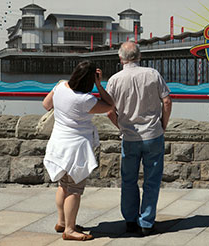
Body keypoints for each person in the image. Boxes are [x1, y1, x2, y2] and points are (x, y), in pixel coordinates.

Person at [42, 61, 115, 241]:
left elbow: (46, 104)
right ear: (90, 80)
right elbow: (109, 105)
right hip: (75, 149)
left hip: (58, 144)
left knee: (63, 185)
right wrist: (99, 84)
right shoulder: (85, 100)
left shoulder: (60, 87)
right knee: (74, 189)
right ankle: (70, 229)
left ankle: (61, 221)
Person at [106, 41, 172, 236]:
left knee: (128, 180)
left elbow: (109, 111)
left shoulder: (115, 79)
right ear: (139, 56)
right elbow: (167, 101)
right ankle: (146, 222)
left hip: (130, 137)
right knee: (152, 181)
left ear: (120, 58)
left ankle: (130, 220)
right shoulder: (152, 74)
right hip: (153, 134)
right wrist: (163, 125)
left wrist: (122, 126)